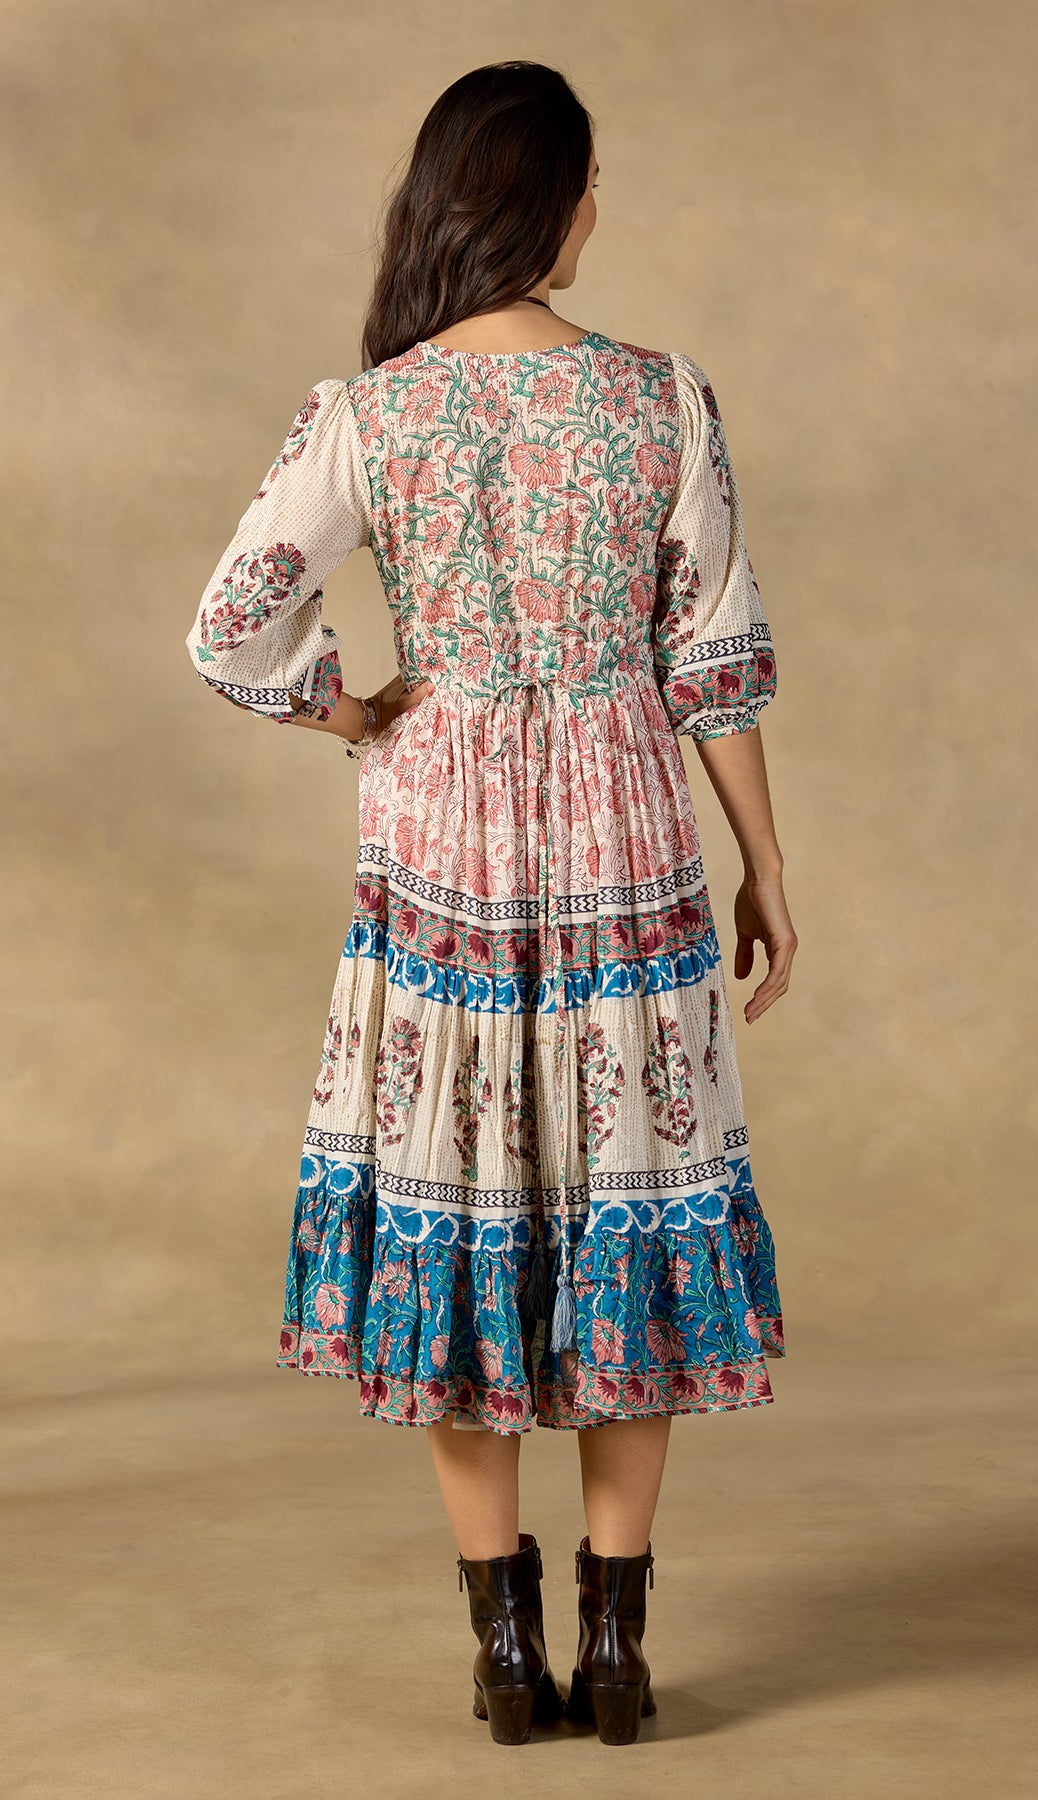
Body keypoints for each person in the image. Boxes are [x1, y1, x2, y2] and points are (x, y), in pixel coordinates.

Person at [184, 61, 797, 1747]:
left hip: (440, 837)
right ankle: (617, 1645)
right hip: (623, 838)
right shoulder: (661, 399)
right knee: (624, 1201)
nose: (601, 207)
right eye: (593, 180)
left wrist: (356, 715)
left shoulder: (369, 412)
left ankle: (505, 1652)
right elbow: (715, 662)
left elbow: (230, 626)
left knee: (460, 1203)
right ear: (548, 197)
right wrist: (767, 865)